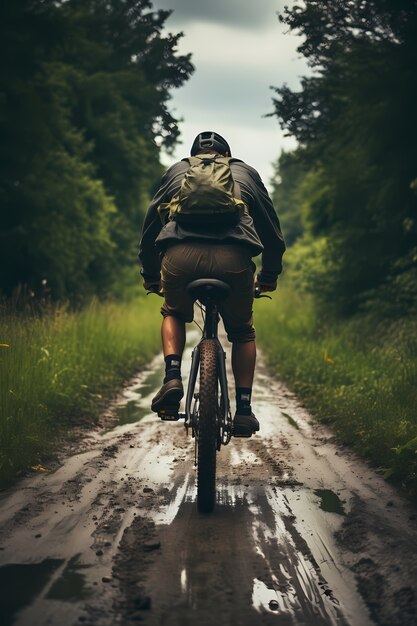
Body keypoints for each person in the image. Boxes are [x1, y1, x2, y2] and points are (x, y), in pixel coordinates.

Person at [138, 131, 285, 436]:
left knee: (174, 313)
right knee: (243, 331)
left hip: (181, 257)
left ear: (194, 156)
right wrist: (269, 276)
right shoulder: (246, 173)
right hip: (234, 261)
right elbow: (271, 232)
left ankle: (173, 376)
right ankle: (244, 410)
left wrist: (151, 273)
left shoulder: (178, 170)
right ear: (227, 155)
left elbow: (152, 222)